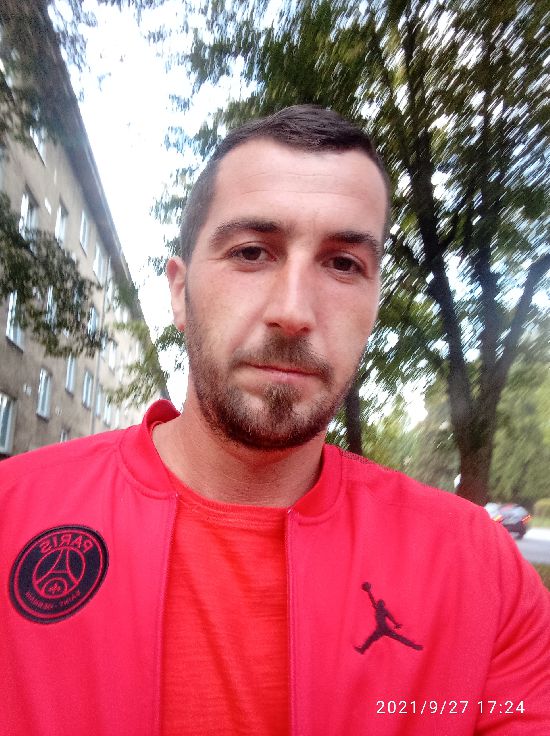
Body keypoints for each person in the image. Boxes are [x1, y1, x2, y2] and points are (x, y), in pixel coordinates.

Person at [1, 105, 549, 736]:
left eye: (343, 264)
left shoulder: (480, 574)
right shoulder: (11, 516)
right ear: (179, 292)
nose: (294, 312)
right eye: (252, 252)